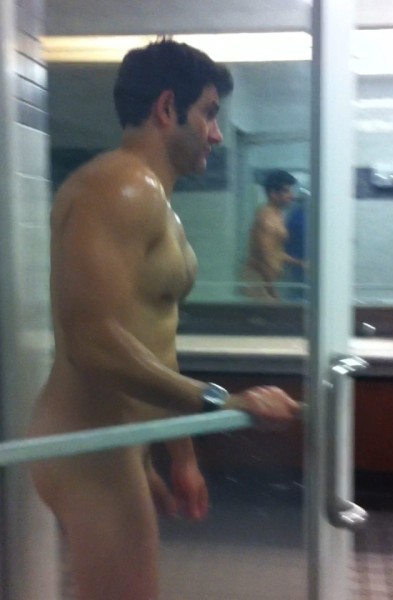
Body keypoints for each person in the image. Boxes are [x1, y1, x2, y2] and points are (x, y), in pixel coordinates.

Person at [28, 40, 300, 600]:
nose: (216, 134)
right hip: (90, 443)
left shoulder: (155, 200)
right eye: (209, 114)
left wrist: (179, 451)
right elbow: (92, 341)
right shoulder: (121, 187)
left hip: (118, 440)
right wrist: (222, 401)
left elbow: (153, 339)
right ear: (168, 108)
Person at [243, 169, 306, 300]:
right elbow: (265, 256)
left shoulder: (277, 215)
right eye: (286, 191)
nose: (291, 196)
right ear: (273, 194)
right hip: (260, 283)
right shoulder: (267, 219)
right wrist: (270, 290)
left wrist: (300, 263)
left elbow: (276, 252)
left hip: (266, 282)